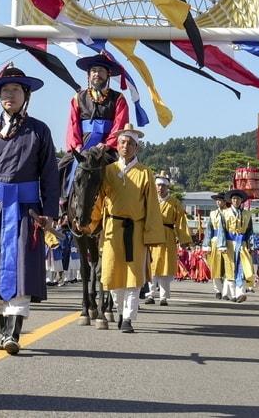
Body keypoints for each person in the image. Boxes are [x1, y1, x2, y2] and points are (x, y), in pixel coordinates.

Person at [0, 64, 61, 354]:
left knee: (21, 270)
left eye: (16, 90)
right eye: (5, 90)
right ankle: (3, 330)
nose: (10, 95)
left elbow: (50, 175)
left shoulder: (39, 131)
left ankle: (13, 334)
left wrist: (50, 212)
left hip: (26, 210)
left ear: (26, 95)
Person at [92, 124, 163, 333]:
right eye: (122, 142)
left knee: (134, 276)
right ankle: (119, 310)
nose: (126, 146)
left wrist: (151, 234)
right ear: (117, 144)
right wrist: (91, 223)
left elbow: (152, 205)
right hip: (112, 227)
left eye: (130, 143)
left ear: (137, 148)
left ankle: (128, 318)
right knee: (113, 273)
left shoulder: (145, 173)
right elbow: (99, 200)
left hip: (137, 229)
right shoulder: (108, 170)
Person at [65, 53, 131, 152]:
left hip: (108, 149)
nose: (97, 74)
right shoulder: (78, 98)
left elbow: (120, 125)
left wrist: (108, 145)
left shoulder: (118, 98)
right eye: (94, 71)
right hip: (82, 146)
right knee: (64, 166)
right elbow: (73, 125)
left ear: (108, 74)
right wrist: (77, 145)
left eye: (101, 71)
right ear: (89, 75)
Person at [146, 172, 190, 306]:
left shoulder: (174, 203)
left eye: (163, 186)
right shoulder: (150, 200)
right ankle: (150, 294)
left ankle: (163, 297)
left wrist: (184, 239)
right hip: (152, 235)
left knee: (165, 267)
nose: (160, 188)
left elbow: (181, 222)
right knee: (151, 266)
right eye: (158, 185)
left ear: (167, 187)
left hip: (168, 235)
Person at [220, 189, 255, 303]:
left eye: (238, 199)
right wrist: (222, 245)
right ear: (231, 200)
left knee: (243, 268)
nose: (236, 201)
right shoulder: (225, 213)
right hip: (230, 243)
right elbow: (222, 230)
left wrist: (251, 245)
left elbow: (250, 231)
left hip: (242, 244)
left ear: (241, 201)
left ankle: (241, 293)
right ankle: (233, 294)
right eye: (234, 199)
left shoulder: (247, 214)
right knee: (230, 269)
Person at [206, 192, 229, 299]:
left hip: (226, 242)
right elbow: (208, 230)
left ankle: (225, 291)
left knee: (226, 267)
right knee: (215, 267)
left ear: (225, 202)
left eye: (221, 200)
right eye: (217, 200)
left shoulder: (228, 213)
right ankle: (217, 290)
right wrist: (207, 244)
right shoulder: (212, 213)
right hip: (215, 241)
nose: (218, 202)